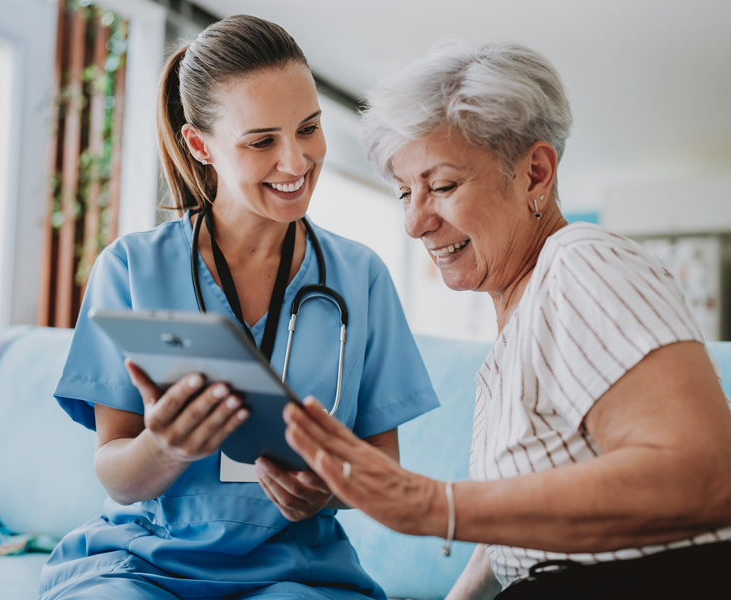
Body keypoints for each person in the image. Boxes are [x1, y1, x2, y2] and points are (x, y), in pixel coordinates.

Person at [282, 40, 731, 598]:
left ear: (535, 174)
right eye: (405, 193)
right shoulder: (518, 329)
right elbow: (521, 536)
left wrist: (432, 504)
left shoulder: (581, 262)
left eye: (442, 186)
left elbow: (701, 479)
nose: (415, 223)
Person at [39, 15, 438, 600]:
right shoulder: (129, 269)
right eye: (261, 141)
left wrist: (327, 489)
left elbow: (384, 469)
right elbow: (117, 475)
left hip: (296, 569)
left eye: (308, 128)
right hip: (143, 561)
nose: (296, 162)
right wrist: (164, 448)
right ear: (200, 145)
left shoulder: (362, 278)